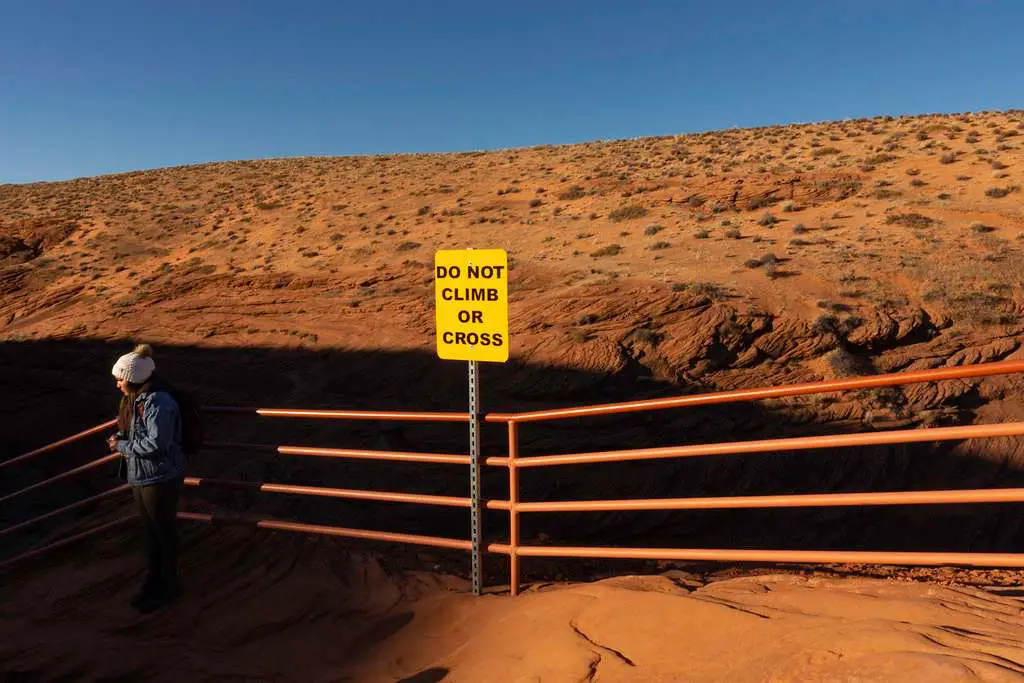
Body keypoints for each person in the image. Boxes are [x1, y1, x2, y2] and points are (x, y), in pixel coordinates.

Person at [107, 343, 186, 612]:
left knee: (162, 532)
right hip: (144, 473)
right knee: (152, 532)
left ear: (132, 378)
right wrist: (124, 438)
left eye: (120, 378)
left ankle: (168, 586)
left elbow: (157, 444)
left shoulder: (158, 401)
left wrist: (122, 447)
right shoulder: (138, 399)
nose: (117, 383)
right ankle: (154, 581)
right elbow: (142, 435)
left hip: (160, 475)